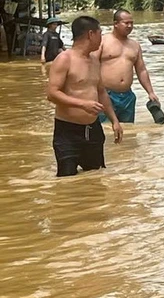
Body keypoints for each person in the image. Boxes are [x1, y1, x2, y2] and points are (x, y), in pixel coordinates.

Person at [46, 16, 123, 177]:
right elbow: (52, 94)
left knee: (95, 179)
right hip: (67, 131)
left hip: (93, 130)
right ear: (90, 34)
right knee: (67, 182)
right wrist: (83, 105)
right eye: (100, 33)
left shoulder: (94, 60)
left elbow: (101, 92)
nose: (102, 38)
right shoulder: (64, 59)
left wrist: (114, 120)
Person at [97, 9, 161, 123]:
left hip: (127, 96)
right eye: (126, 23)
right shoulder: (102, 41)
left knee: (127, 132)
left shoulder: (135, 45)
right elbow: (90, 66)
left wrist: (150, 92)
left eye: (131, 23)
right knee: (106, 131)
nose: (130, 26)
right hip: (106, 94)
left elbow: (141, 70)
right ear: (115, 24)